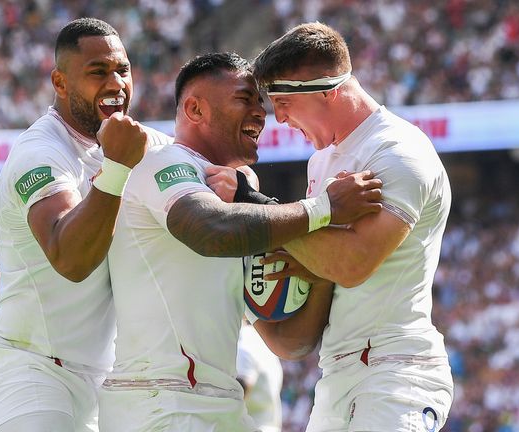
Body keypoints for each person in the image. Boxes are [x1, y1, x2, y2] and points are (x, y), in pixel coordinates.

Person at [98, 52, 383, 431]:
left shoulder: (237, 204)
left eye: (259, 102)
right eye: (243, 99)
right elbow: (208, 229)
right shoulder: (166, 164)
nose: (260, 112)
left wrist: (322, 266)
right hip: (159, 401)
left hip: (215, 402)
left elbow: (289, 343)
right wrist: (321, 210)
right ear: (195, 108)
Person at [0, 18, 174, 432]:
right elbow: (72, 259)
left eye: (123, 70)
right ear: (60, 83)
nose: (116, 83)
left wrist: (240, 181)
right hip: (29, 368)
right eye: (98, 72)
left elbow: (207, 167)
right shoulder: (40, 153)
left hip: (107, 380)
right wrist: (115, 168)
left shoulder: (137, 143)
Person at [253, 22, 454, 431]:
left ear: (327, 89)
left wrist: (256, 208)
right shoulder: (321, 162)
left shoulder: (399, 151)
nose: (280, 118)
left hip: (396, 372)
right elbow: (324, 274)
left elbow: (352, 264)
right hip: (336, 375)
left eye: (283, 101)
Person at [237, 320, 283, 432]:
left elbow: (241, 388)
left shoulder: (244, 338)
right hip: (268, 426)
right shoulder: (261, 339)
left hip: (252, 427)